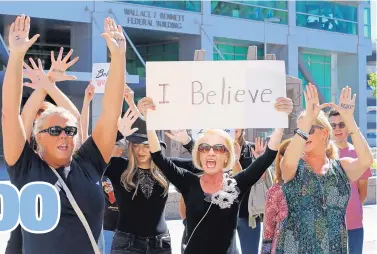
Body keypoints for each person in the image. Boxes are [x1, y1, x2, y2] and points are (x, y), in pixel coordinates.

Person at [2, 15, 127, 254]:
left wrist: (119, 58)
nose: (64, 135)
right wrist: (16, 56)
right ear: (38, 136)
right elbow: (10, 113)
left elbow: (111, 112)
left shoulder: (89, 162)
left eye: (70, 130)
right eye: (55, 130)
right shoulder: (25, 167)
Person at [142, 96, 293, 253]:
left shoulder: (236, 185)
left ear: (227, 155)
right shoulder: (187, 182)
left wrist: (282, 119)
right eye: (205, 148)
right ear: (198, 155)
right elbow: (158, 157)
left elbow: (268, 156)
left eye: (219, 148)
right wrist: (149, 121)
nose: (211, 153)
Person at [275, 84, 373, 253]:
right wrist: (306, 124)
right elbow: (288, 165)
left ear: (325, 133)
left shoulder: (341, 166)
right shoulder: (293, 165)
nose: (304, 135)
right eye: (300, 130)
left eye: (310, 129)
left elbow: (366, 161)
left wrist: (349, 119)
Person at [104, 90, 201, 254]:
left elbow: (202, 165)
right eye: (136, 145)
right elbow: (91, 155)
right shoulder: (118, 166)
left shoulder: (167, 167)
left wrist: (187, 141)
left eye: (147, 145)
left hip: (160, 244)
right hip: (126, 245)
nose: (141, 151)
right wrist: (119, 133)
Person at [328, 109, 372, 254]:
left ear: (348, 126)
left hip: (354, 225)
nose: (337, 129)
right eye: (333, 125)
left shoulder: (359, 154)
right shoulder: (320, 155)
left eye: (341, 124)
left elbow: (363, 192)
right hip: (327, 226)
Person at [261, 139, 291, 254]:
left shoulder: (315, 188)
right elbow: (268, 230)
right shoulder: (275, 191)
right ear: (280, 158)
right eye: (288, 154)